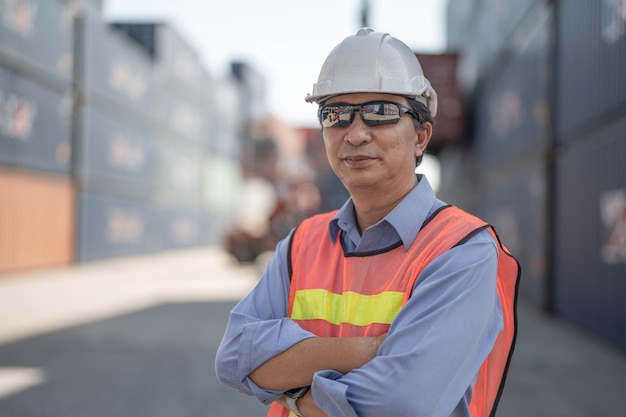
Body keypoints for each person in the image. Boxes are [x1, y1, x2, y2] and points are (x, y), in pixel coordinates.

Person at [215, 28, 520, 417]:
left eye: (380, 113)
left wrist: (289, 390)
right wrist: (366, 352)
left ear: (421, 137)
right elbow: (232, 357)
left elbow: (397, 405)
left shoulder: (462, 251)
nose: (355, 134)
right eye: (336, 114)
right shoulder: (301, 243)